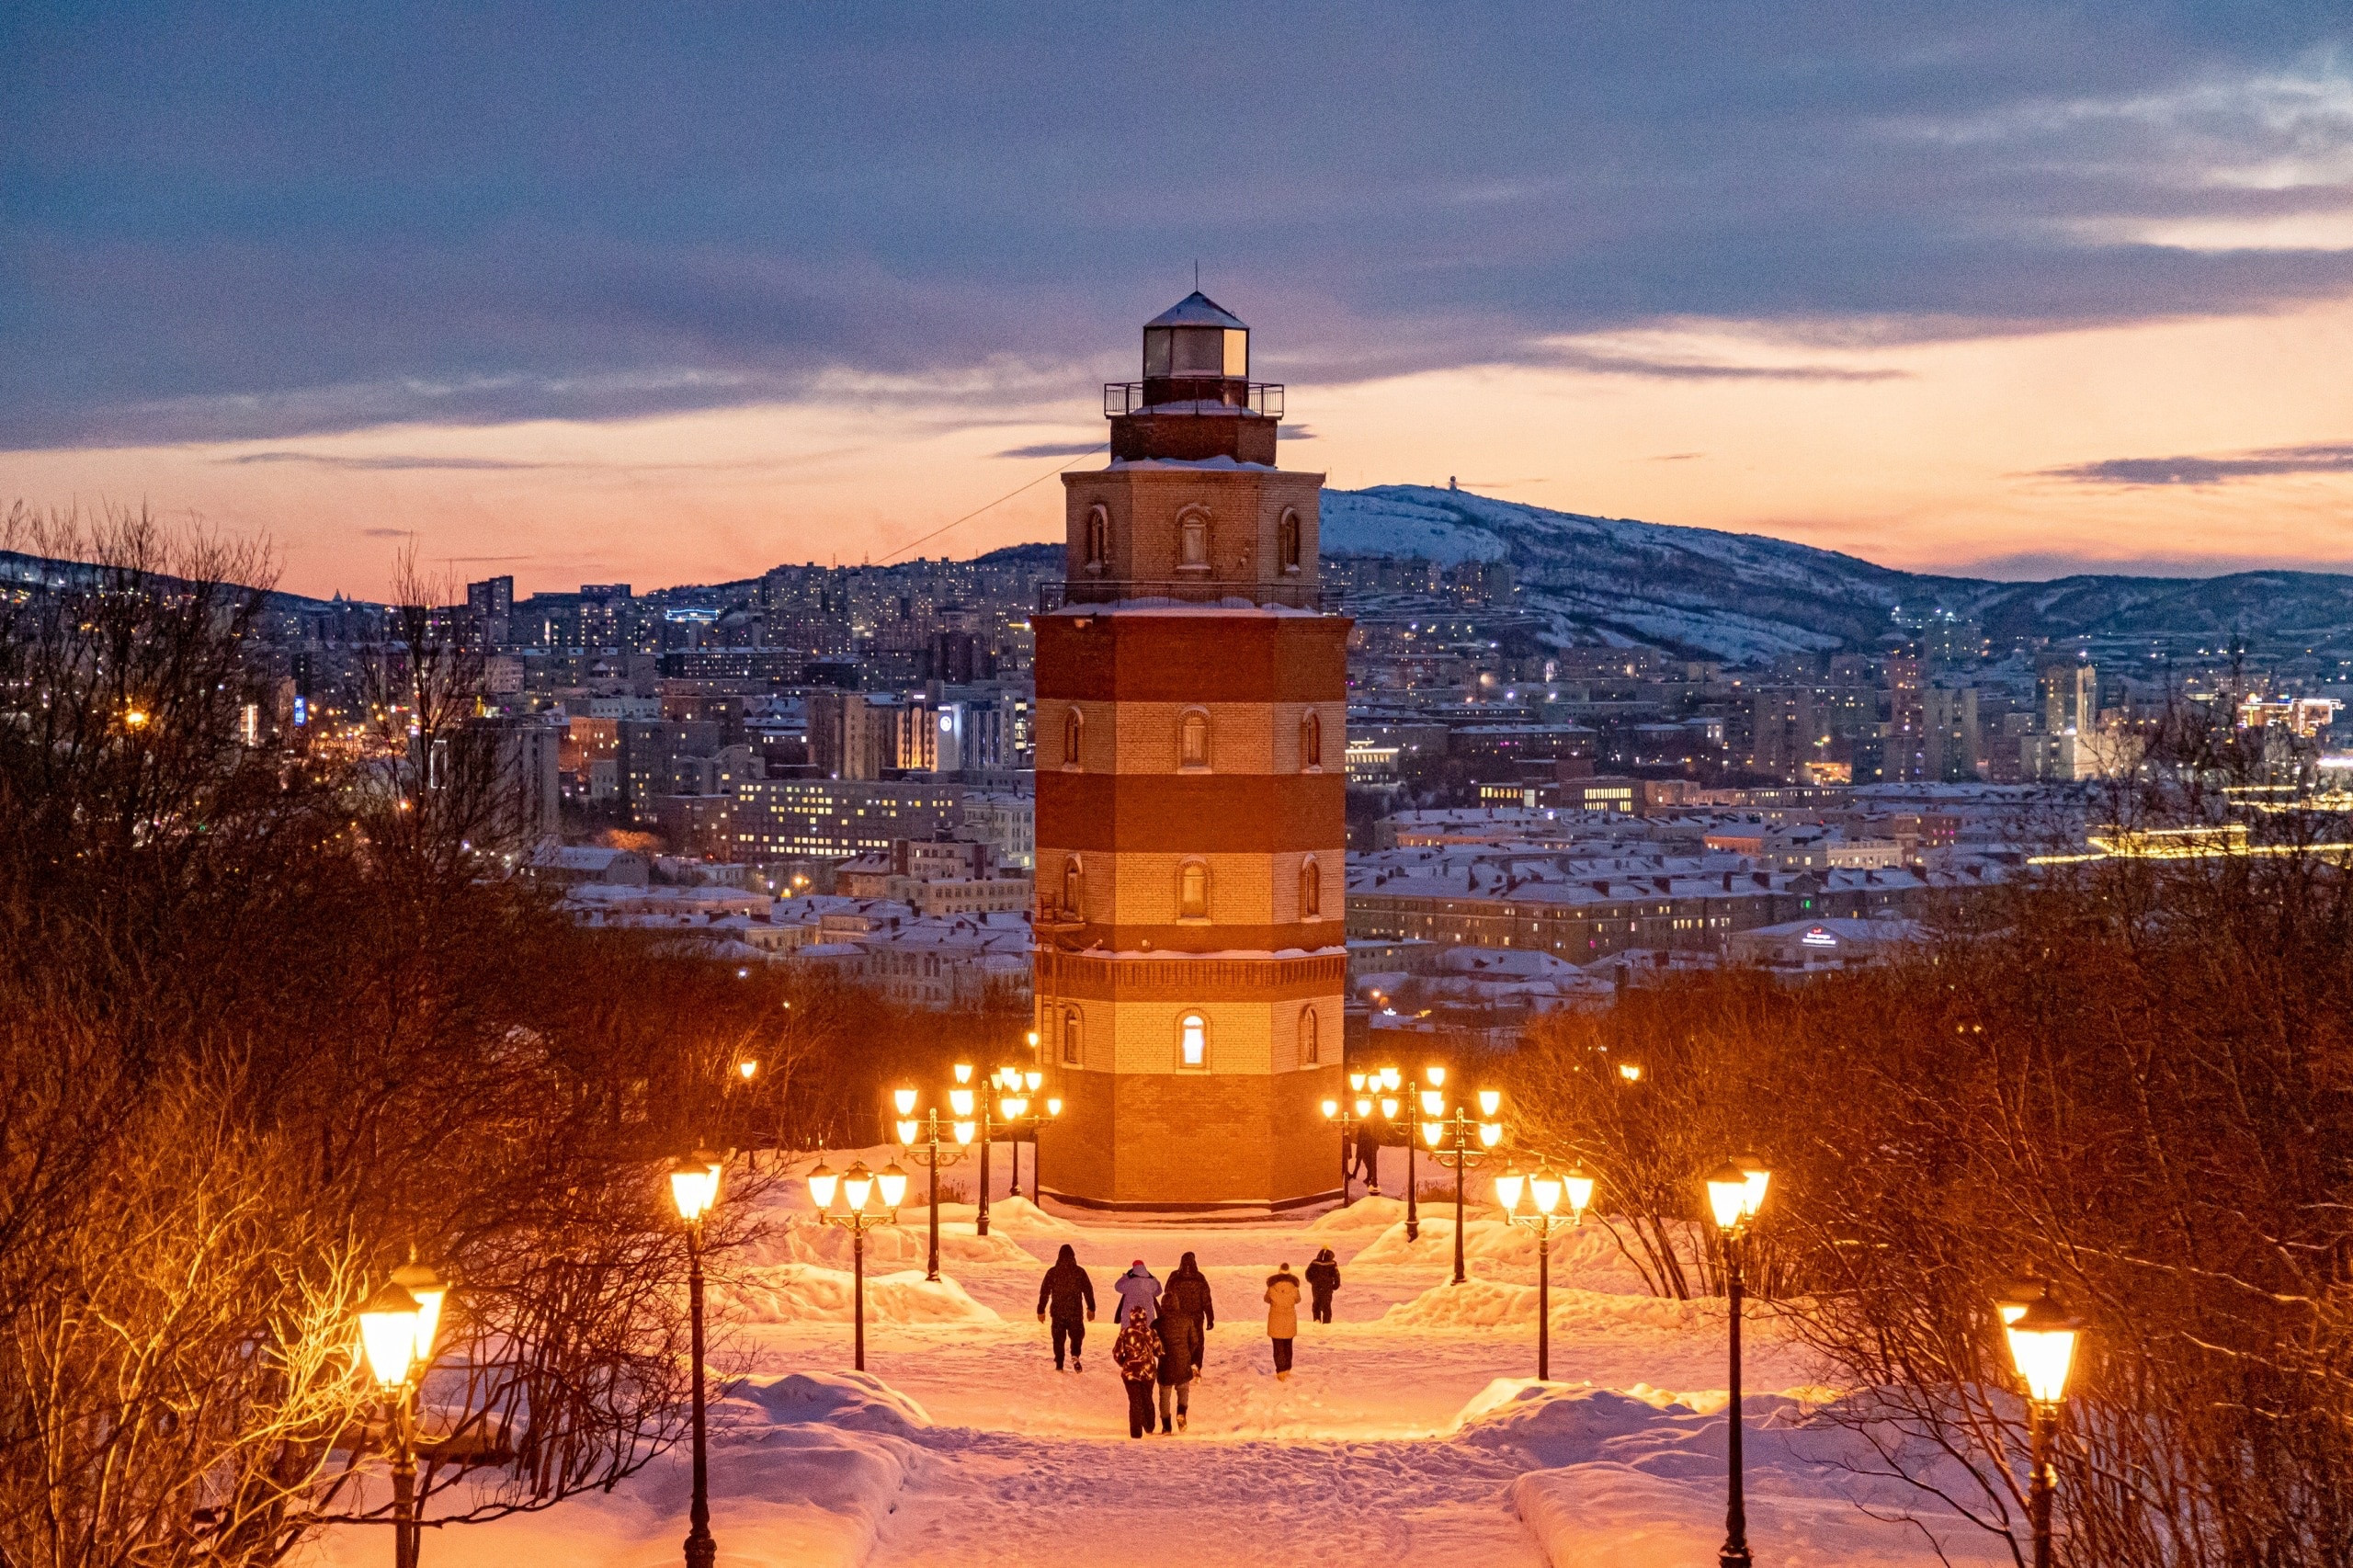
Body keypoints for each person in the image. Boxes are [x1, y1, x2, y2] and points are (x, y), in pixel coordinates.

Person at [1035, 1243, 1096, 1371]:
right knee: (1077, 1335)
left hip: (1058, 1312)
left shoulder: (1053, 1272)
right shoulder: (1079, 1272)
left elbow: (1044, 1292)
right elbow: (1088, 1291)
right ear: (1073, 1257)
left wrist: (1041, 1310)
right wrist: (1091, 1308)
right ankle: (1075, 1355)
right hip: (1075, 1311)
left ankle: (1059, 1364)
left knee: (1058, 1339)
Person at [1158, 1252, 1216, 1379]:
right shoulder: (1200, 1278)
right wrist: (1210, 1317)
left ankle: (1182, 1366)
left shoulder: (1174, 1277)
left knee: (1182, 1341)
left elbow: (1168, 1294)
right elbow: (1206, 1300)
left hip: (1179, 1316)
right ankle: (1195, 1365)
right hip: (1196, 1317)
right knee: (1198, 1341)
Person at [1112, 1305, 1162, 1438]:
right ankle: (1149, 1425)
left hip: (1130, 1373)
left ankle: (1136, 1432)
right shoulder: (1151, 1333)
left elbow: (1117, 1353)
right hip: (1148, 1372)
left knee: (1135, 1401)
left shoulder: (1125, 1333)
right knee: (1147, 1398)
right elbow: (1159, 1351)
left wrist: (1125, 1363)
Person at [1154, 1308, 1195, 1434]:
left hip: (1165, 1366)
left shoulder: (1157, 1323)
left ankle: (1166, 1425)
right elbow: (1194, 1342)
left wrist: (1160, 1356)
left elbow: (1153, 1345)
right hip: (1183, 1363)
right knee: (1183, 1390)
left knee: (1165, 1396)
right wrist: (1187, 1354)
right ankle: (1181, 1412)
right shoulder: (1187, 1320)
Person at [1266, 1262, 1302, 1379]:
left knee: (1278, 1347)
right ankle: (1287, 1368)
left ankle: (1280, 1371)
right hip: (1289, 1319)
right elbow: (1298, 1300)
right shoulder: (1294, 1287)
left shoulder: (1272, 1287)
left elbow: (1266, 1299)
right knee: (1288, 1345)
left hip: (1275, 1319)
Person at [1110, 1259, 1161, 1332]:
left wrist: (1126, 1276)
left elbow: (1117, 1286)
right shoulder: (1151, 1283)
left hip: (1130, 1318)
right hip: (1147, 1317)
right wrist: (1153, 1278)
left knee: (1130, 1336)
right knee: (1146, 1336)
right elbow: (1158, 1292)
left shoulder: (1130, 1282)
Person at [1305, 1247, 1341, 1324]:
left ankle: (1317, 1320)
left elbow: (1307, 1273)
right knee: (1326, 1305)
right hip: (1327, 1286)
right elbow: (1337, 1276)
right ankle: (1327, 1322)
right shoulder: (1332, 1264)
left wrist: (1312, 1281)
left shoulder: (1314, 1263)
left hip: (1316, 1286)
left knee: (1316, 1303)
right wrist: (1335, 1286)